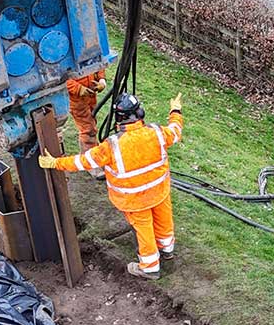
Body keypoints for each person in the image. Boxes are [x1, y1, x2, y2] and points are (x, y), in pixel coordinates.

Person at [40, 92, 184, 280]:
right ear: (140, 113)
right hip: (159, 192)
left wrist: (55, 163)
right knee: (163, 220)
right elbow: (175, 130)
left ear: (119, 119)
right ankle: (167, 250)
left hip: (133, 199)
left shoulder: (111, 146)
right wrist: (175, 110)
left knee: (143, 228)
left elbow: (83, 161)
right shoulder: (157, 132)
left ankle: (150, 267)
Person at [66, 68, 106, 153]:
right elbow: (59, 77)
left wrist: (101, 80)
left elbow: (97, 61)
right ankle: (89, 158)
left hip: (91, 95)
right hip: (77, 101)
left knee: (92, 122)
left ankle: (93, 148)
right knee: (88, 129)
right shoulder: (60, 56)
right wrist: (78, 89)